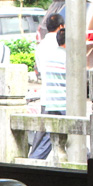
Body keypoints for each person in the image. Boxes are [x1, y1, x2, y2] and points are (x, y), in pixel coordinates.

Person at [29, 28, 67, 159]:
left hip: (50, 103)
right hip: (63, 104)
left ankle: (33, 162)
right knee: (74, 139)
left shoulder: (51, 57)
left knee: (46, 140)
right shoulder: (68, 58)